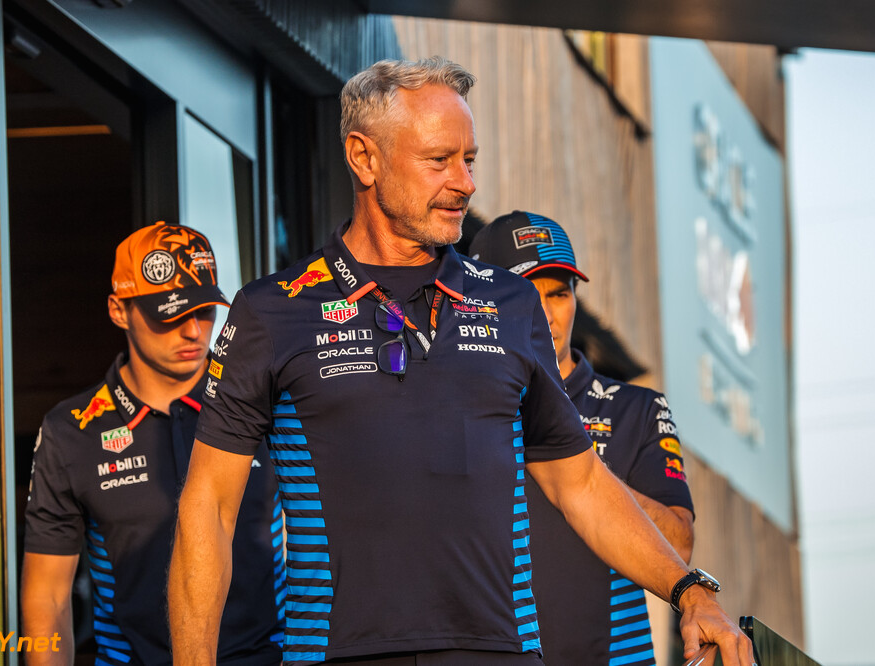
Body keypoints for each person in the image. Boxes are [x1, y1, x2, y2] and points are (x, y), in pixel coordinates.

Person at [168, 57, 754, 666]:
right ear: (364, 158)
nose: (465, 183)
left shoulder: (511, 302)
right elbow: (207, 509)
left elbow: (579, 483)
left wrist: (690, 592)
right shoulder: (272, 310)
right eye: (438, 160)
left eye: (468, 160)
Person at [22, 222, 285, 665]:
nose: (194, 332)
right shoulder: (71, 431)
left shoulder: (267, 406)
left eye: (204, 311)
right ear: (118, 310)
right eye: (170, 314)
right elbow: (48, 597)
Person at [470, 211, 697, 665]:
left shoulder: (635, 408)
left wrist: (579, 471)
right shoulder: (465, 408)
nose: (549, 314)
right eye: (528, 295)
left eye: (559, 293)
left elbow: (678, 543)